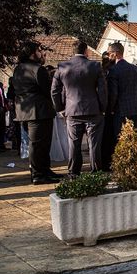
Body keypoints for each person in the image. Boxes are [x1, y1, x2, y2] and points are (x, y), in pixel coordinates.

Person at [51, 40, 107, 177]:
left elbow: (54, 91)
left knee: (74, 144)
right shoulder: (95, 66)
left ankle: (74, 172)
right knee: (94, 144)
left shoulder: (62, 67)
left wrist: (60, 109)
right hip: (93, 110)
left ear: (72, 51)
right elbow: (102, 90)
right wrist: (103, 107)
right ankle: (96, 172)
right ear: (86, 51)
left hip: (72, 110)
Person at [12, 42, 60, 184]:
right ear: (33, 53)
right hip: (39, 111)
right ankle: (38, 174)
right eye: (39, 50)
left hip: (25, 111)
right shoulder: (38, 69)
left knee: (40, 144)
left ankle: (45, 170)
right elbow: (48, 90)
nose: (41, 53)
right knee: (39, 144)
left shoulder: (18, 69)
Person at [106, 42, 137, 141]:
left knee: (121, 137)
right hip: (136, 107)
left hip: (120, 109)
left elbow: (114, 93)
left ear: (115, 54)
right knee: (136, 135)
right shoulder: (135, 69)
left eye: (109, 53)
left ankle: (124, 156)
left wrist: (110, 108)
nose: (108, 56)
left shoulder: (113, 70)